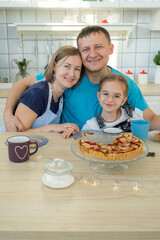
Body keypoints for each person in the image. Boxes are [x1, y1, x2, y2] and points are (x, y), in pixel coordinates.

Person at [3, 25, 160, 132]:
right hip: (65, 143)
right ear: (80, 53)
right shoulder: (70, 76)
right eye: (85, 49)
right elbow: (21, 84)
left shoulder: (123, 83)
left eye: (98, 47)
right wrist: (7, 114)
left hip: (105, 146)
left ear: (110, 48)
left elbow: (150, 118)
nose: (92, 54)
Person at [1, 45, 83, 138]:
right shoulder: (37, 93)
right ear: (54, 66)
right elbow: (17, 134)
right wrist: (52, 128)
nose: (72, 74)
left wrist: (66, 128)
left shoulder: (60, 96)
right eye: (67, 66)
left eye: (77, 69)